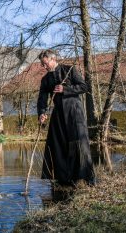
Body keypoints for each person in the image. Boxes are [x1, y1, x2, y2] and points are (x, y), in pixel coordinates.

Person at [37, 49, 95, 185]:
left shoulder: (69, 70)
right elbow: (42, 99)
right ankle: (63, 178)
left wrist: (66, 89)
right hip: (58, 114)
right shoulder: (45, 79)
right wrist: (42, 113)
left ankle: (86, 177)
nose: (44, 67)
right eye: (42, 64)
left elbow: (84, 86)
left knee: (79, 144)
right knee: (57, 145)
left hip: (74, 113)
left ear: (53, 59)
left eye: (45, 63)